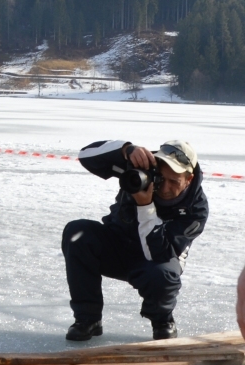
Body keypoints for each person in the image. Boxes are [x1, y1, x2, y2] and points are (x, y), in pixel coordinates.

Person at [61, 138, 208, 342]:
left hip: (156, 261)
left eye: (174, 181)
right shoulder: (142, 169)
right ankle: (88, 320)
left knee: (162, 275)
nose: (164, 188)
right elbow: (86, 156)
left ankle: (162, 321)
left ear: (189, 179)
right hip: (119, 245)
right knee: (78, 233)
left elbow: (158, 253)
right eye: (160, 178)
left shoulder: (196, 210)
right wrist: (125, 150)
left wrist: (145, 206)